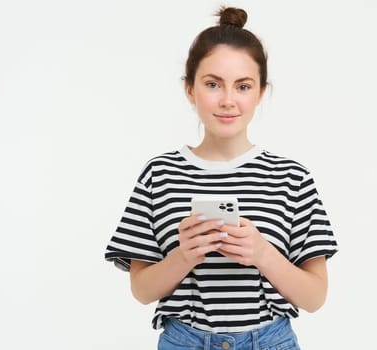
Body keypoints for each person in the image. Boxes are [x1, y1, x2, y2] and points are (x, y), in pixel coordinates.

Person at [104, 6, 338, 350]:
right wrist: (184, 255)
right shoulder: (160, 174)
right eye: (213, 84)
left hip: (270, 341)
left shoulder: (292, 178)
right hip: (183, 341)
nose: (228, 100)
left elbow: (315, 297)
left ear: (259, 93)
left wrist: (262, 253)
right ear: (189, 89)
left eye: (243, 86)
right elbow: (141, 290)